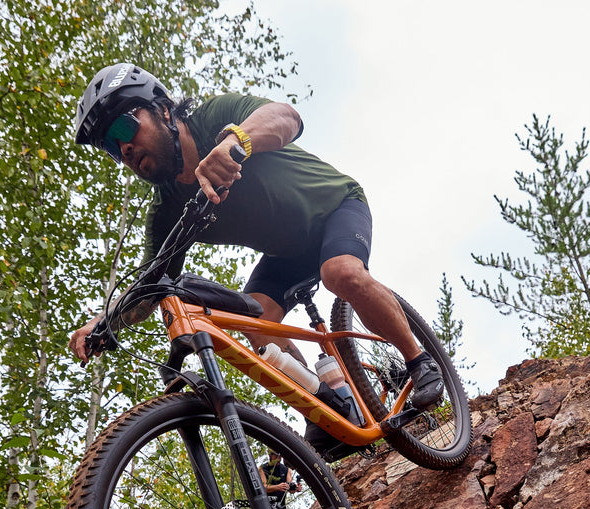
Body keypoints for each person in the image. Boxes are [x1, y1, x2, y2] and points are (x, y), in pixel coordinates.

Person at [66, 62, 442, 411]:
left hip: (335, 207)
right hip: (285, 255)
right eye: (111, 148)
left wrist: (236, 142)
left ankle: (419, 359)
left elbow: (287, 118)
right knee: (251, 321)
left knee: (340, 273)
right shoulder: (165, 210)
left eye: (123, 129)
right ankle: (327, 407)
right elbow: (149, 287)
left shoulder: (213, 117)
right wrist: (103, 322)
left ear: (163, 110)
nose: (124, 149)